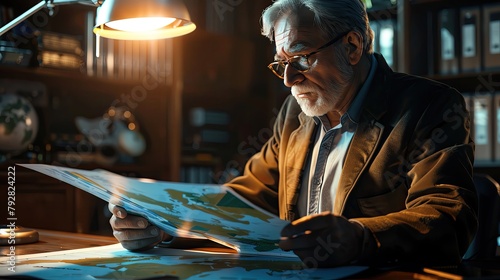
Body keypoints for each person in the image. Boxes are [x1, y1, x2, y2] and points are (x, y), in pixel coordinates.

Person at [109, 0, 478, 268]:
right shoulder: (294, 115)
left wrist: (361, 238)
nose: (288, 81)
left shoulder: (430, 106)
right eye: (281, 63)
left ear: (352, 46)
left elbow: (447, 218)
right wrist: (164, 224)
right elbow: (247, 200)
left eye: (301, 58)